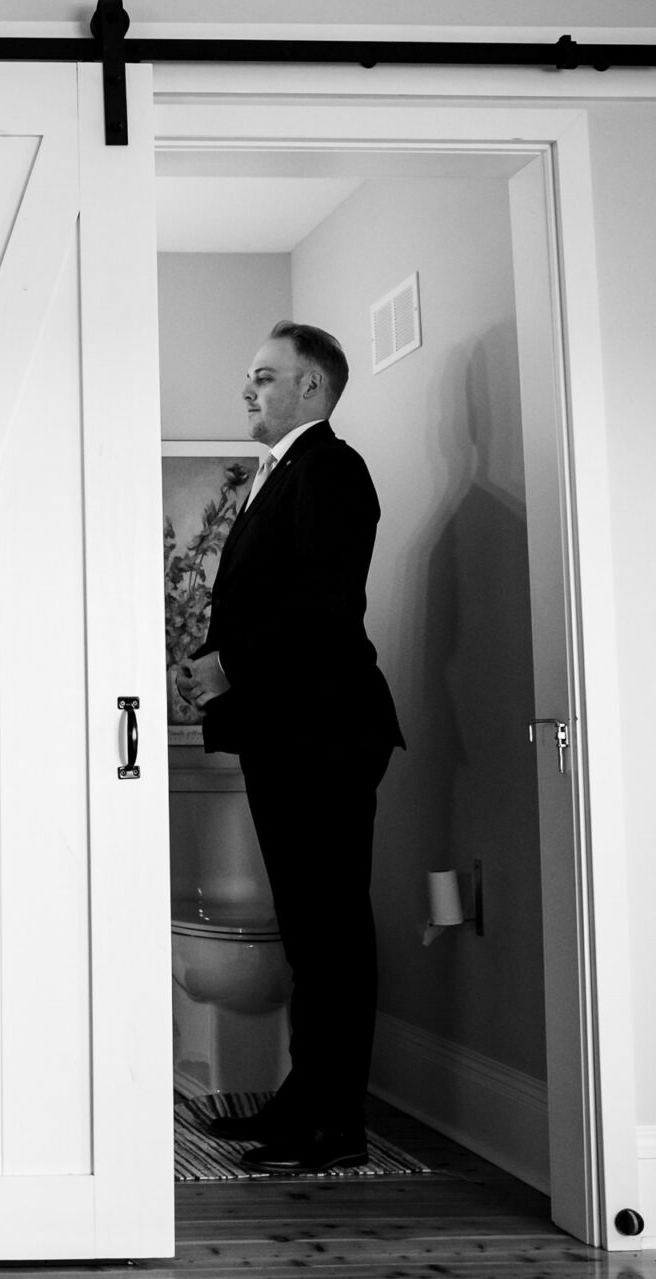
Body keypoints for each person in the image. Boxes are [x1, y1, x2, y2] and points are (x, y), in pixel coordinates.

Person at [173, 321, 404, 1173]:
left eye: (264, 376)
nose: (248, 389)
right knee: (309, 932)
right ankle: (303, 1104)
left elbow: (324, 605)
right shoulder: (282, 475)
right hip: (293, 731)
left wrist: (228, 665)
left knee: (332, 931)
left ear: (312, 387)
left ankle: (334, 1124)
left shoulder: (333, 470)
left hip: (327, 733)